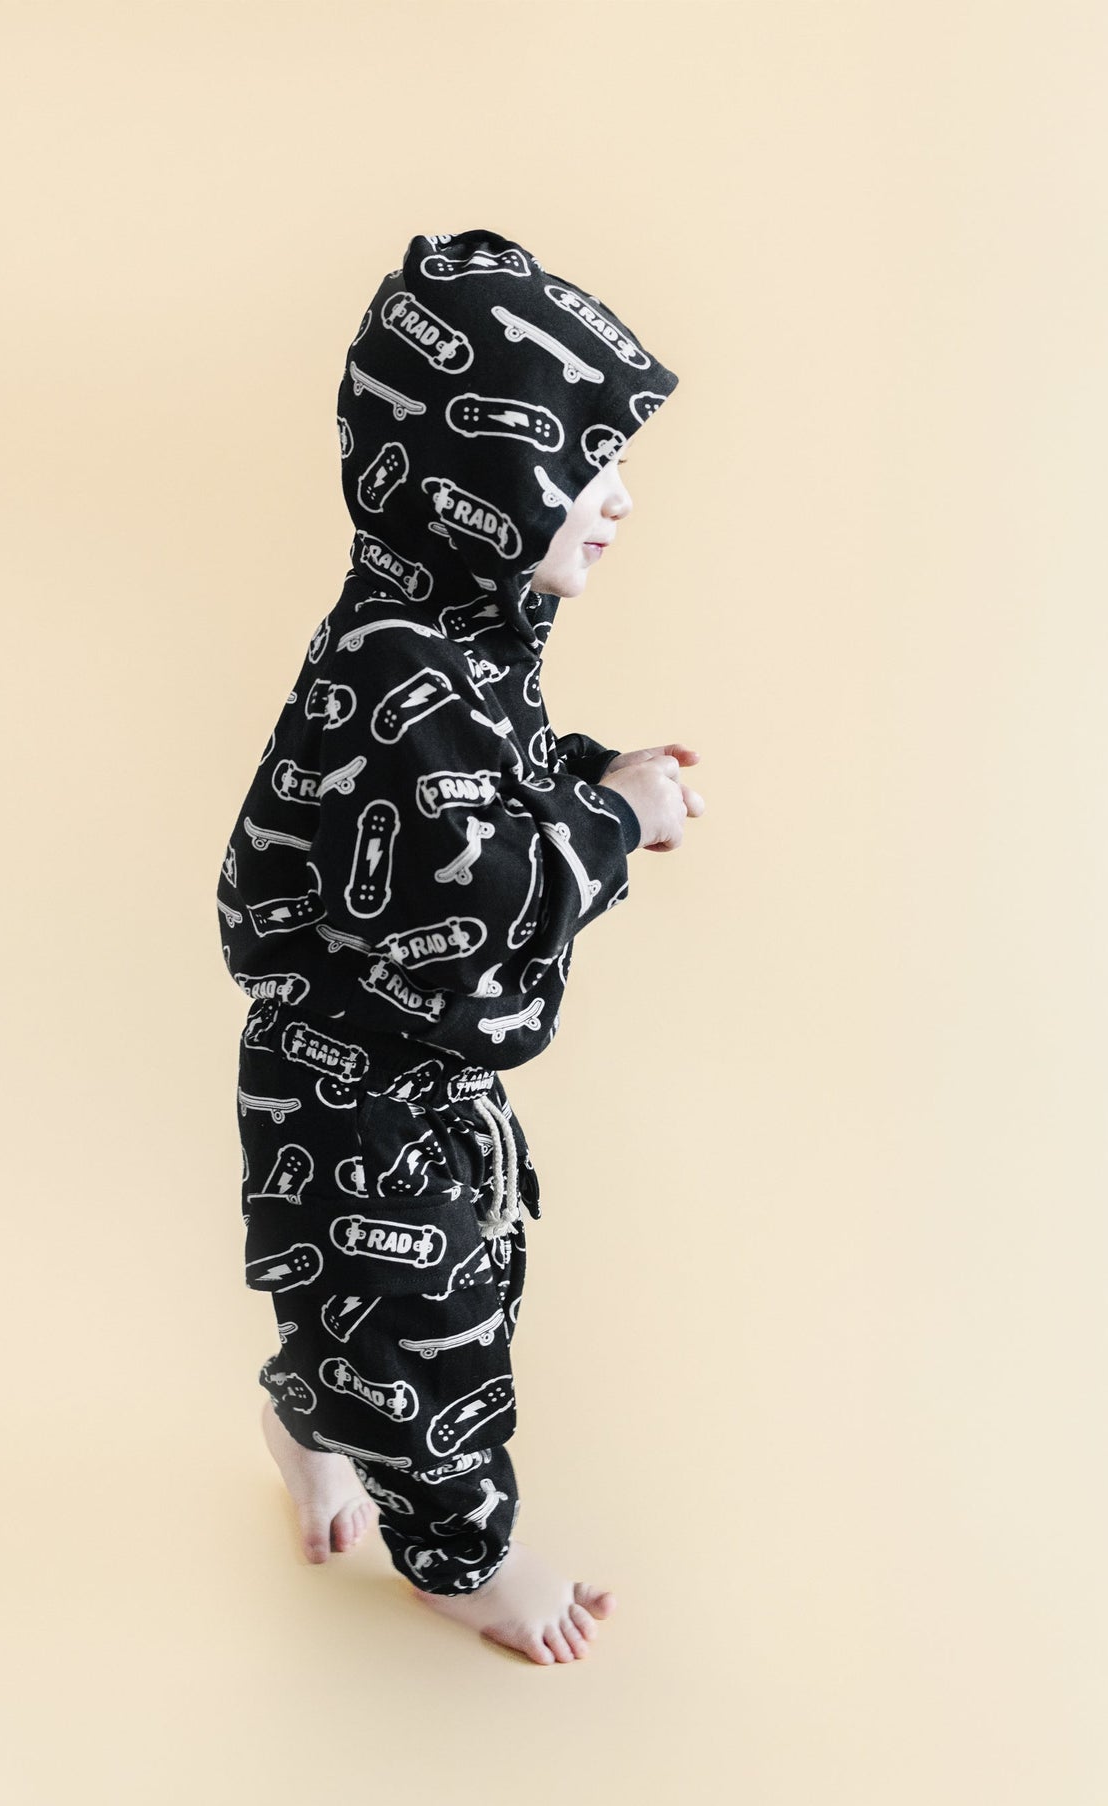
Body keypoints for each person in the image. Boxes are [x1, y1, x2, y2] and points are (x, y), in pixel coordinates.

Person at [216, 227, 702, 1664]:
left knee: (350, 1290)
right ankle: (460, 1558)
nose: (617, 500)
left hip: (366, 1070)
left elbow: (491, 782)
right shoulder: (403, 665)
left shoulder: (443, 634)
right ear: (482, 482)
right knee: (433, 1318)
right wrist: (612, 823)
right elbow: (472, 904)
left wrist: (592, 773)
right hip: (365, 1091)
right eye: (583, 466)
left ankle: (309, 1423)